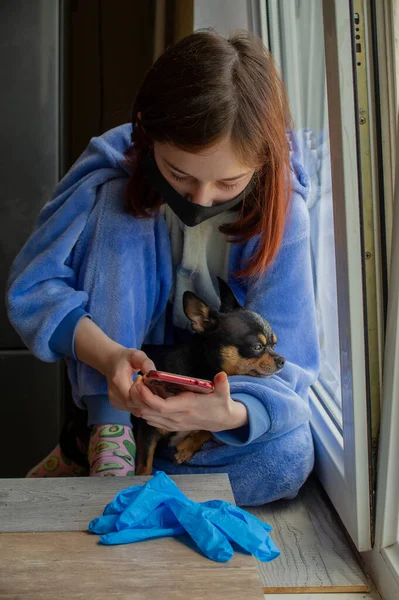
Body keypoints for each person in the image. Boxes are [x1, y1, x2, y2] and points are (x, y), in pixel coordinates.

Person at [6, 29, 319, 506]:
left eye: (229, 182)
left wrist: (231, 415)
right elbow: (34, 288)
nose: (201, 198)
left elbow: (290, 364)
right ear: (146, 133)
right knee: (117, 203)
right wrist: (111, 357)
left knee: (288, 457)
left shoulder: (284, 214)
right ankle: (108, 438)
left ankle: (116, 472)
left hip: (209, 418)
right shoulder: (110, 173)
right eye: (179, 174)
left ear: (263, 160)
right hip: (121, 400)